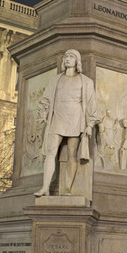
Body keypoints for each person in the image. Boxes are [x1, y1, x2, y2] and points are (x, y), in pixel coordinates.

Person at [35, 49, 100, 197]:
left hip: (76, 119)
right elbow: (45, 100)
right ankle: (45, 187)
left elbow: (91, 104)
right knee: (51, 152)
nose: (68, 59)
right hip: (57, 117)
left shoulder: (86, 81)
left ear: (77, 61)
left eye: (71, 57)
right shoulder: (55, 80)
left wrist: (90, 124)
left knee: (72, 154)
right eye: (66, 57)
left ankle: (67, 189)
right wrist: (43, 113)